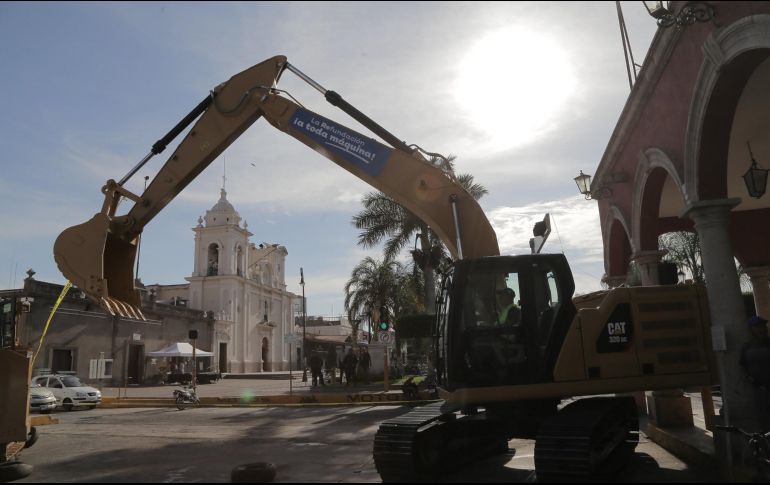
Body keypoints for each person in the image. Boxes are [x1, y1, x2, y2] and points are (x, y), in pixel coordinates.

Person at [739, 315, 770, 430]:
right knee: (763, 420)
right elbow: (742, 364)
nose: (762, 329)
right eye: (758, 326)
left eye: (763, 326)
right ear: (751, 330)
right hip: (759, 389)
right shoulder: (747, 347)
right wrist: (747, 376)